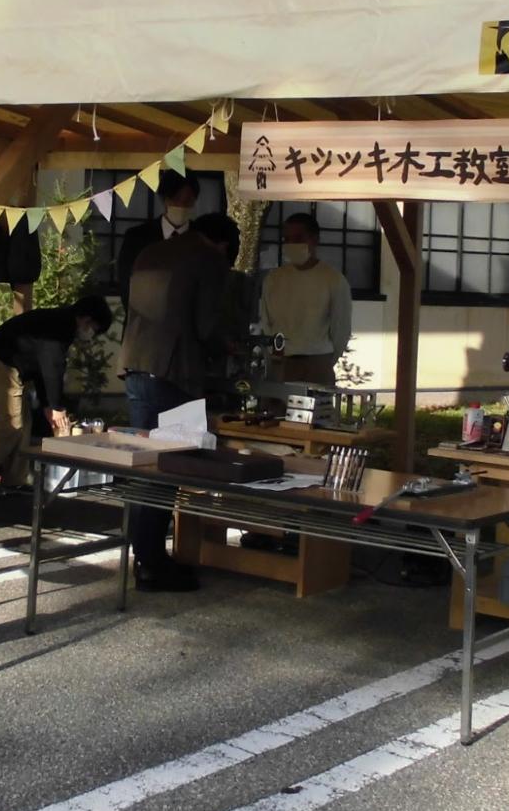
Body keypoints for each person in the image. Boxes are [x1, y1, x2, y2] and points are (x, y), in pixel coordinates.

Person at [121, 212, 239, 591]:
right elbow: (206, 325)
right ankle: (154, 564)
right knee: (168, 469)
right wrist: (230, 346)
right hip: (175, 372)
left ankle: (145, 556)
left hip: (136, 366)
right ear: (222, 243)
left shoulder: (152, 250)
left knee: (145, 468)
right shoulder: (209, 258)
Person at [0, 294, 114, 487]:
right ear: (87, 319)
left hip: (13, 365)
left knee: (24, 426)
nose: (91, 334)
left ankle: (14, 481)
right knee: (10, 425)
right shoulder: (59, 326)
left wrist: (48, 405)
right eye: (94, 329)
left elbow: (43, 370)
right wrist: (55, 406)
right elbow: (52, 369)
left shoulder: (61, 322)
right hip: (3, 361)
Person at [259, 212, 352, 386]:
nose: (292, 244)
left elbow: (341, 328)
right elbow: (266, 322)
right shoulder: (274, 279)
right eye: (287, 239)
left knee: (315, 412)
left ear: (314, 239)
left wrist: (325, 359)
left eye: (298, 238)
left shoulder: (333, 279)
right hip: (281, 361)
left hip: (317, 362)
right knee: (276, 412)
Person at [116, 170, 201, 310]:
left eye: (187, 201)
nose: (181, 205)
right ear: (164, 199)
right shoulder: (137, 237)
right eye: (175, 199)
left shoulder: (202, 237)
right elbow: (126, 284)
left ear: (194, 201)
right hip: (144, 322)